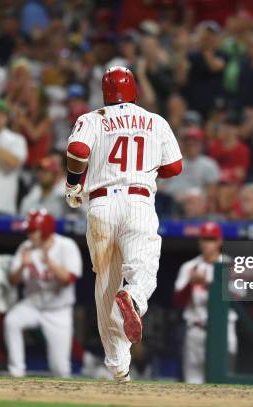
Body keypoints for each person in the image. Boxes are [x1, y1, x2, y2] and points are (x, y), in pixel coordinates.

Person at [65, 66, 182, 383]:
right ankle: (135, 297)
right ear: (134, 90)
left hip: (100, 204)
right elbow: (174, 167)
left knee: (105, 284)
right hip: (138, 202)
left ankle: (119, 368)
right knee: (142, 265)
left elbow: (77, 151)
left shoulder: (93, 117)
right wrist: (145, 166)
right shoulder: (154, 120)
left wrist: (73, 184)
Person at [4, 210, 83, 377]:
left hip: (58, 311)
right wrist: (22, 266)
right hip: (33, 305)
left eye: (33, 230)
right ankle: (16, 371)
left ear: (45, 230)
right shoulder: (25, 248)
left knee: (60, 369)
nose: (29, 234)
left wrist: (50, 262)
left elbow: (68, 279)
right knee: (11, 321)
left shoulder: (66, 246)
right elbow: (12, 281)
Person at [173, 222, 237, 384]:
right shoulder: (189, 267)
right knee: (193, 382)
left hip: (223, 331)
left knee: (223, 384)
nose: (208, 243)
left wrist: (210, 284)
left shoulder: (231, 266)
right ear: (199, 241)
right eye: (205, 239)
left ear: (219, 241)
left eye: (212, 239)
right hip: (196, 330)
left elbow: (237, 298)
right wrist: (190, 283)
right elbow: (178, 301)